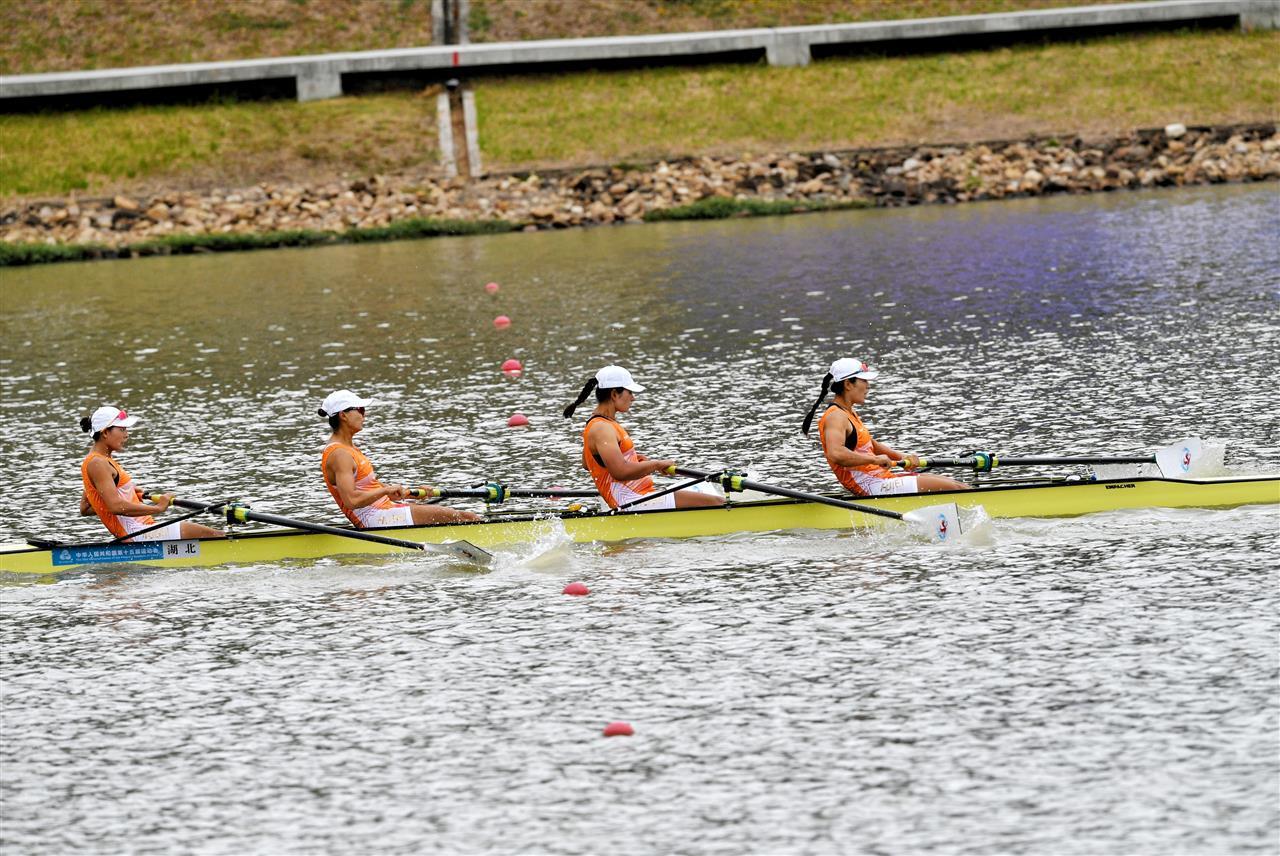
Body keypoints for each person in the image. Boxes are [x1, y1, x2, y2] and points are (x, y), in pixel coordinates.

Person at [562, 365, 723, 510]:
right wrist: (656, 464)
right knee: (718, 502)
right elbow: (620, 472)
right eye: (630, 392)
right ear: (614, 394)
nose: (633, 398)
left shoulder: (599, 423)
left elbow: (588, 463)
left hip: (639, 496)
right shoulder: (601, 428)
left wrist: (631, 459)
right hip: (631, 502)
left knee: (708, 496)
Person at [800, 358, 969, 495]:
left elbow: (870, 445)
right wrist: (875, 459)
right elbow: (836, 453)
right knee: (957, 488)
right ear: (848, 384)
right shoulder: (836, 416)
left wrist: (902, 457)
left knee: (956, 484)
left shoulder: (848, 412)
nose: (868, 386)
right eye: (864, 380)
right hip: (871, 486)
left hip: (881, 479)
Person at [318, 390, 480, 528]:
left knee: (461, 517)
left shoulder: (349, 448)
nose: (363, 415)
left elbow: (372, 489)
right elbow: (351, 501)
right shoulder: (340, 454)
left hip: (385, 510)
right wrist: (386, 491)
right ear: (343, 415)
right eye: (360, 409)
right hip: (375, 518)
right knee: (468, 518)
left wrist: (411, 493)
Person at [79, 406, 225, 541]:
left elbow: (86, 507)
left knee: (214, 534)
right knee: (217, 535)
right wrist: (158, 508)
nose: (126, 435)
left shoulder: (95, 460)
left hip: (142, 530)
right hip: (137, 534)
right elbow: (115, 507)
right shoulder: (98, 464)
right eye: (122, 429)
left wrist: (128, 497)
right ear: (105, 432)